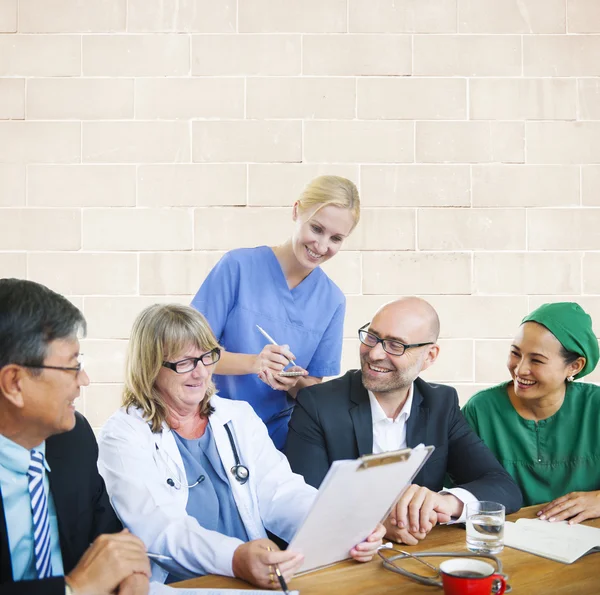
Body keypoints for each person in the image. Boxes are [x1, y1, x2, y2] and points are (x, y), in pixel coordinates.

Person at [97, 304, 384, 589]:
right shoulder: (123, 434)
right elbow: (159, 529)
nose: (200, 373)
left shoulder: (238, 416)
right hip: (181, 585)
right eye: (184, 363)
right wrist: (234, 558)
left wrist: (340, 525)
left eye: (206, 357)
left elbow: (281, 492)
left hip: (254, 576)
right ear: (150, 366)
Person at [286, 297, 522, 546]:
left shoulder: (441, 403)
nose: (375, 353)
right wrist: (376, 524)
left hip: (417, 554)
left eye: (395, 345)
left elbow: (503, 488)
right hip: (341, 558)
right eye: (372, 337)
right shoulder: (317, 404)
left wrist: (443, 501)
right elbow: (305, 502)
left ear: (430, 356)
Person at [0, 278, 150, 595]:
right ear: (14, 383)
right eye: (73, 366)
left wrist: (132, 573)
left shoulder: (74, 438)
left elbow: (109, 536)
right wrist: (75, 588)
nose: (84, 380)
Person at [191, 175, 360, 449]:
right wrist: (254, 363)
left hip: (279, 440)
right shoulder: (238, 267)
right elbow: (189, 354)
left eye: (336, 238)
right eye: (316, 228)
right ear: (296, 211)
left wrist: (291, 381)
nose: (321, 246)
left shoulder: (333, 300)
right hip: (213, 427)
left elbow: (312, 386)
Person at [462, 302, 600, 524]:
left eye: (536, 360)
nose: (520, 369)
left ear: (574, 366)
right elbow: (459, 493)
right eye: (515, 354)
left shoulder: (596, 407)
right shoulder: (480, 410)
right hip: (506, 545)